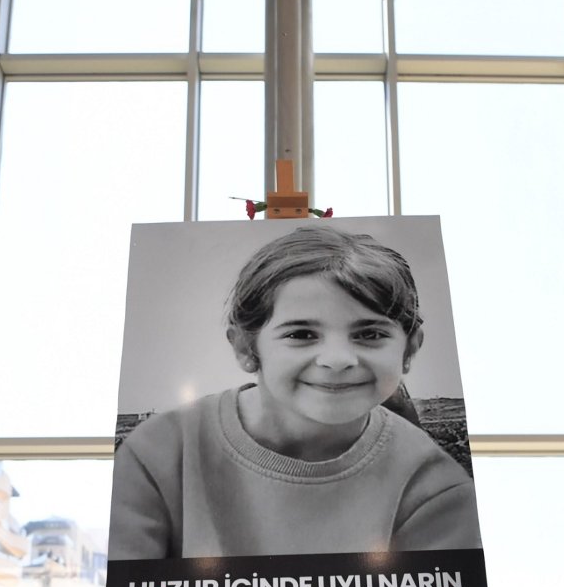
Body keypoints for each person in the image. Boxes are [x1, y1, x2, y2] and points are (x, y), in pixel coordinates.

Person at [110, 225, 482, 561]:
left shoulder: (434, 487)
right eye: (301, 334)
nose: (337, 360)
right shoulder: (159, 454)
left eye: (369, 333)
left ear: (410, 348)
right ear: (245, 347)